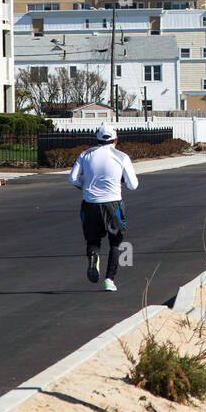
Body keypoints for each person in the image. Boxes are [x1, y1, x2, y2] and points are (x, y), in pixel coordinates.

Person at [69, 125, 138, 292]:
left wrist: (85, 186)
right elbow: (133, 185)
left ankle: (93, 260)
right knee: (116, 242)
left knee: (93, 240)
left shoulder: (85, 154)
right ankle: (109, 279)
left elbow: (72, 178)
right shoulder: (121, 156)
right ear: (116, 139)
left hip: (89, 203)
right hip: (112, 203)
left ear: (97, 138)